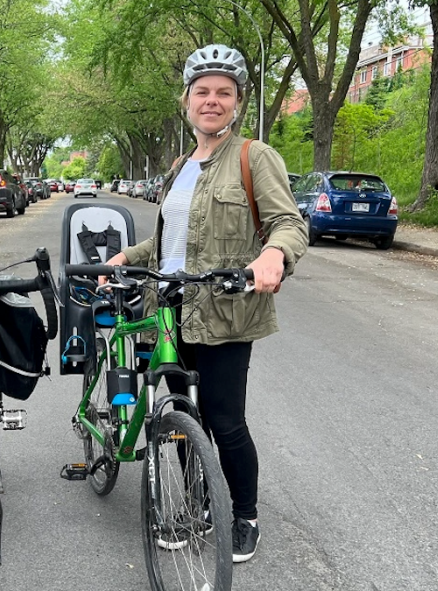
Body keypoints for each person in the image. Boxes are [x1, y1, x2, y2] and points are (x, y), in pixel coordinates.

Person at [104, 44, 307, 563]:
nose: (212, 101)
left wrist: (273, 257)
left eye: (224, 93)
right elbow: (171, 241)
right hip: (169, 312)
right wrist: (128, 254)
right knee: (181, 415)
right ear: (187, 102)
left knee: (225, 419)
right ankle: (197, 502)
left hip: (225, 313)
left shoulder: (253, 157)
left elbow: (289, 223)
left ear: (237, 103)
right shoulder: (177, 169)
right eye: (203, 92)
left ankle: (244, 515)